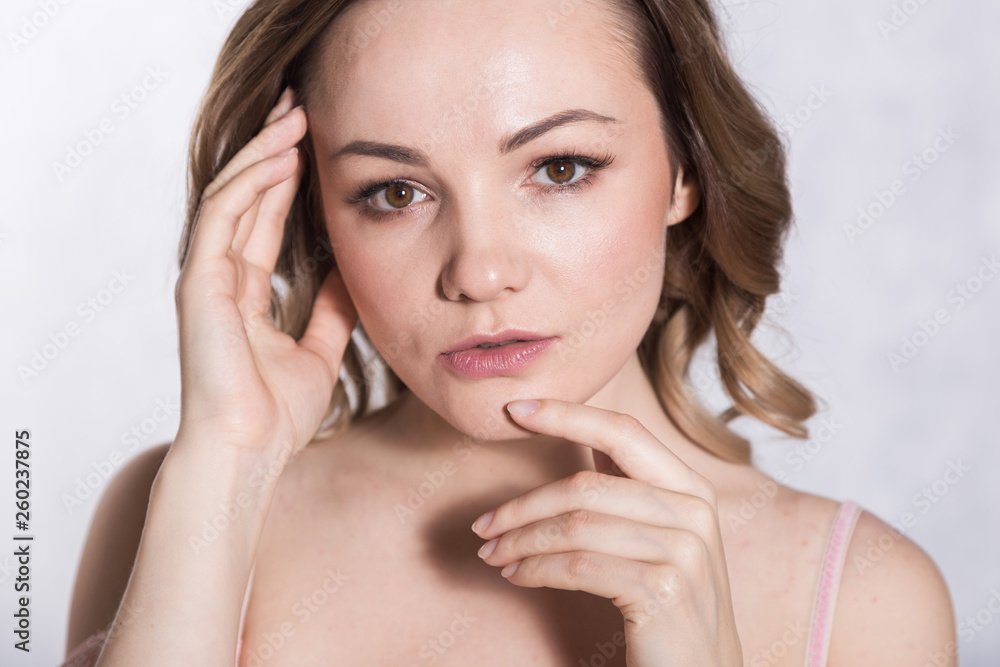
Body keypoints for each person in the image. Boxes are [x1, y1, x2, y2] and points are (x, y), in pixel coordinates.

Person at [63, 0, 958, 665]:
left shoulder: (863, 604)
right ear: (312, 214)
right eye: (394, 192)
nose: (479, 270)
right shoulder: (184, 503)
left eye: (560, 168)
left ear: (686, 170)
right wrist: (226, 461)